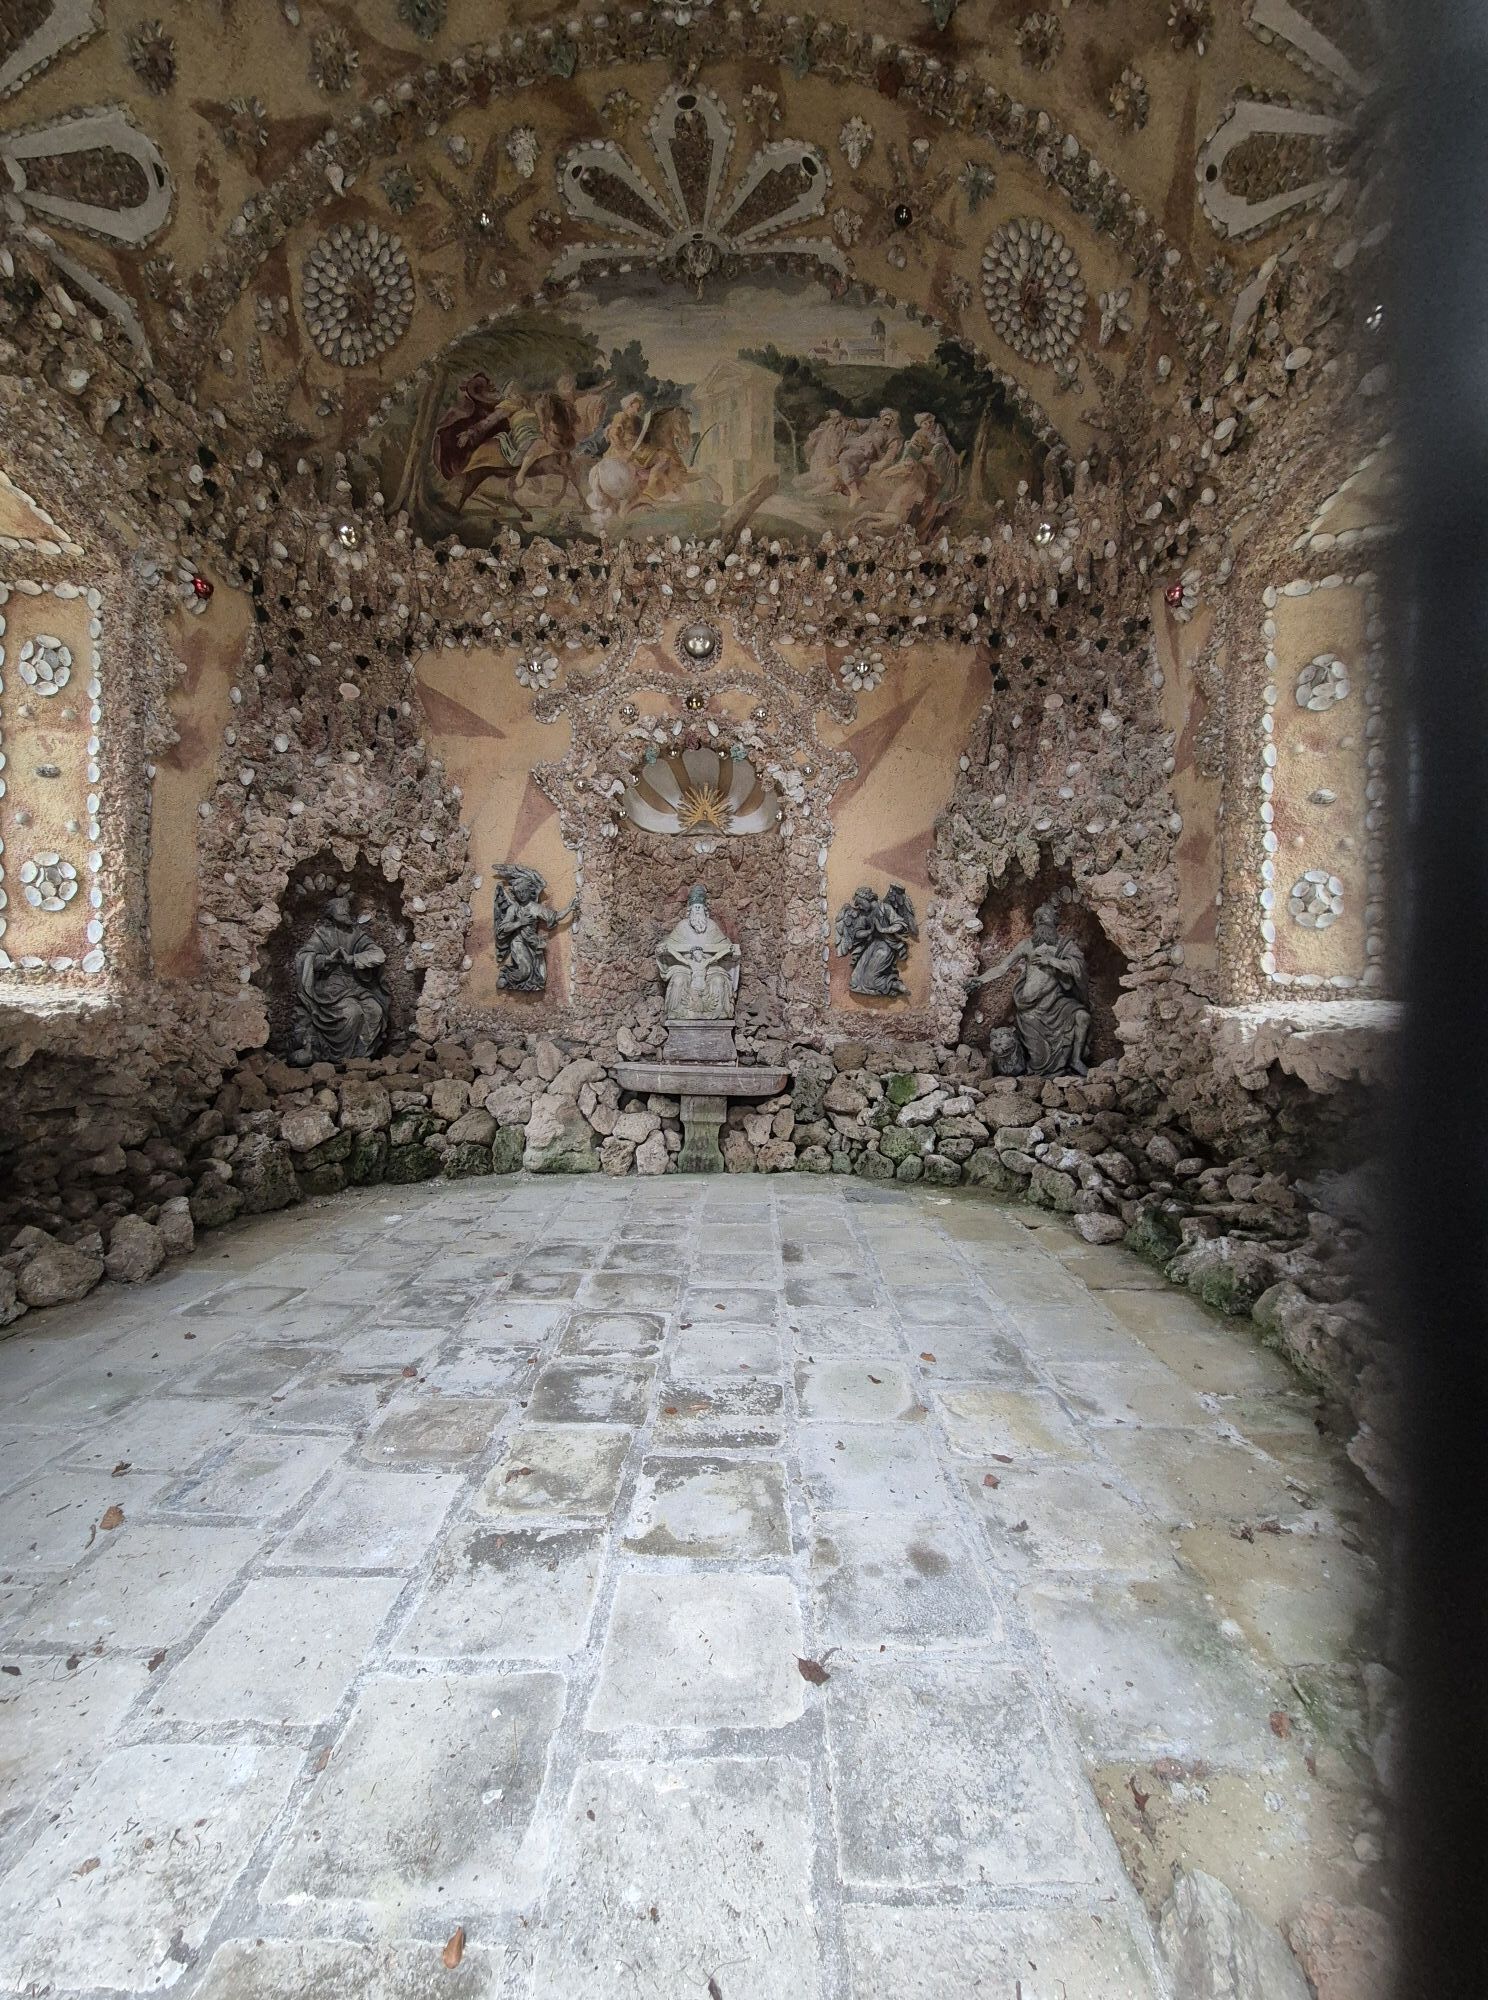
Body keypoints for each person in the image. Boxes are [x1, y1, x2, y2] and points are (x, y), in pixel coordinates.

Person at [972, 901, 1091, 1076]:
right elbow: (1002, 968)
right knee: (1038, 1060)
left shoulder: (1065, 945)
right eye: (1038, 918)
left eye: (1046, 917)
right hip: (1030, 1008)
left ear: (1055, 922)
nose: (1041, 920)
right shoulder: (1027, 945)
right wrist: (979, 980)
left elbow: (1079, 968)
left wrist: (1051, 961)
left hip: (1057, 1003)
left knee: (1083, 1016)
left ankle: (1076, 1059)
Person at [289, 892, 390, 1065]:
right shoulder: (322, 935)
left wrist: (353, 959)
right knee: (352, 1013)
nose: (346, 912)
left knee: (375, 1010)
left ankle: (362, 1056)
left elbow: (379, 954)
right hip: (331, 987)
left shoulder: (356, 935)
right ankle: (341, 1057)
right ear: (331, 913)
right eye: (341, 909)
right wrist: (327, 959)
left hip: (356, 985)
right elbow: (303, 957)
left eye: (347, 909)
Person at [657, 885, 739, 1021]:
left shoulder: (711, 926)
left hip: (710, 967)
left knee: (718, 981)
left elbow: (725, 946)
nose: (697, 909)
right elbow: (670, 945)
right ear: (689, 910)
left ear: (704, 910)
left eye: (699, 907)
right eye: (695, 907)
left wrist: (731, 949)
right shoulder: (682, 926)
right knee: (678, 980)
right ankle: (676, 1012)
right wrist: (662, 948)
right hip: (685, 967)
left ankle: (720, 1012)